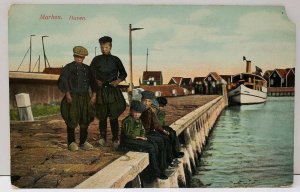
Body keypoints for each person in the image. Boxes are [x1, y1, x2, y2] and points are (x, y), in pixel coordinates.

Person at [90, 36, 127, 149]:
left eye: (106, 47)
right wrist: (96, 81)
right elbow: (90, 73)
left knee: (113, 116)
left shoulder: (116, 59)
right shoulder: (96, 60)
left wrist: (118, 81)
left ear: (110, 46)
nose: (103, 49)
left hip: (112, 91)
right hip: (100, 91)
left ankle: (115, 139)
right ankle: (102, 138)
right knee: (102, 116)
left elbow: (123, 73)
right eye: (102, 47)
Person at [58, 46, 94, 151]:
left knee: (85, 120)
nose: (79, 59)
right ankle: (71, 142)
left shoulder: (87, 68)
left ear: (84, 58)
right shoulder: (68, 67)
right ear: (74, 56)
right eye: (77, 57)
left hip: (85, 98)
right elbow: (63, 81)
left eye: (81, 57)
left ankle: (83, 142)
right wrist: (68, 94)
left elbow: (93, 82)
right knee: (71, 119)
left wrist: (94, 95)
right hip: (72, 97)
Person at [121, 100, 168, 181]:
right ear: (130, 111)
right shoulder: (127, 120)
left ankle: (156, 167)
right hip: (128, 141)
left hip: (137, 139)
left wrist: (142, 136)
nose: (137, 114)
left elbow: (142, 130)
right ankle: (156, 171)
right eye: (135, 112)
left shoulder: (138, 120)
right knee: (150, 147)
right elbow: (128, 134)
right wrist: (138, 137)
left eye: (139, 113)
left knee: (153, 143)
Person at [140, 91, 178, 168]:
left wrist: (163, 130)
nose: (147, 103)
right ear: (141, 100)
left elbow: (156, 123)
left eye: (149, 101)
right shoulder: (139, 110)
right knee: (161, 140)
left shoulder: (150, 110)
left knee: (166, 138)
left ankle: (167, 161)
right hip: (143, 134)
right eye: (145, 101)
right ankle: (163, 164)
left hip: (149, 131)